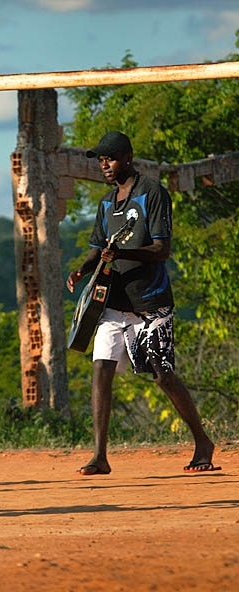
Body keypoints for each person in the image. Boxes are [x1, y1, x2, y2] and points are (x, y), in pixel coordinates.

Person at [66, 131, 217, 476]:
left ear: (128, 157)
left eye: (111, 158)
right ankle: (100, 455)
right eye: (101, 159)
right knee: (100, 371)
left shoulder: (152, 193)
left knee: (163, 377)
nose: (105, 164)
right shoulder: (107, 202)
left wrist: (121, 252)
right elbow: (98, 246)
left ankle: (203, 442)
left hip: (150, 302)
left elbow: (162, 249)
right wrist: (82, 269)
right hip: (113, 303)